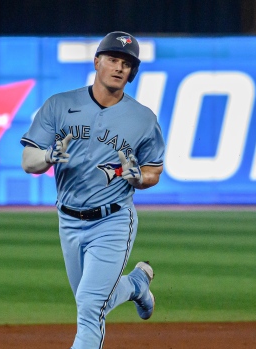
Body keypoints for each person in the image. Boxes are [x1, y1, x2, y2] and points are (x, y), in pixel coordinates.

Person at [20, 31, 165, 349]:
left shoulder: (143, 119)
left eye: (126, 63)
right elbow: (28, 160)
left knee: (89, 306)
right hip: (68, 220)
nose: (118, 67)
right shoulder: (60, 105)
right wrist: (46, 156)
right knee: (97, 298)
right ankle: (137, 284)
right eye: (113, 59)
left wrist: (139, 178)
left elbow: (154, 170)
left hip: (113, 220)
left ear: (132, 73)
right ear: (97, 61)